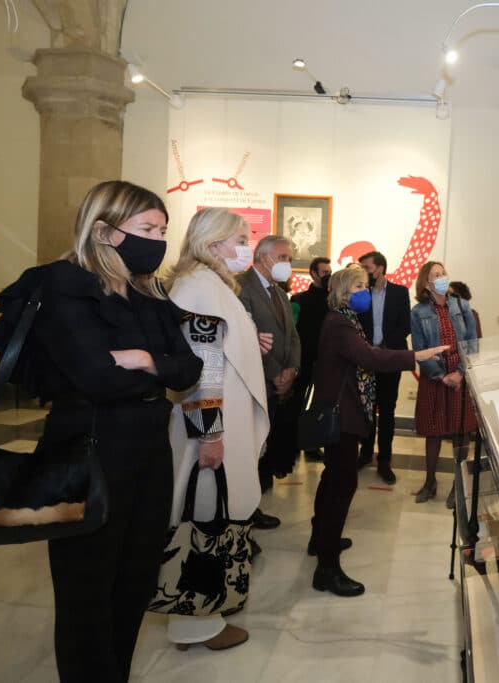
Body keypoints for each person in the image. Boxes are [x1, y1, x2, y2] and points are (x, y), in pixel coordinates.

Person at [0, 180, 203, 681]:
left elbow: (189, 368)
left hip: (149, 449)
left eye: (163, 229)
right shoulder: (61, 284)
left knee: (134, 582)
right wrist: (158, 369)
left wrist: (147, 360)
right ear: (104, 230)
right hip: (87, 450)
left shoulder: (150, 293)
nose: (158, 238)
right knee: (88, 590)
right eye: (147, 228)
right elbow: (98, 378)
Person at [161, 208, 272, 652]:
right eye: (240, 238)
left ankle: (205, 615)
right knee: (204, 516)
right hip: (210, 430)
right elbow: (202, 369)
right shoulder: (199, 290)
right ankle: (196, 623)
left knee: (214, 515)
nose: (246, 246)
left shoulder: (211, 286)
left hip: (220, 424)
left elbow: (218, 352)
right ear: (212, 245)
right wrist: (210, 433)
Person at [310, 267, 447, 596]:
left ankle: (321, 539)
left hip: (343, 413)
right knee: (341, 486)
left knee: (333, 480)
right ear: (344, 291)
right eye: (359, 286)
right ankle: (327, 569)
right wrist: (416, 355)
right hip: (341, 416)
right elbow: (369, 357)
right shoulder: (340, 323)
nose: (365, 291)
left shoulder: (345, 320)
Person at [235, 235, 301, 528]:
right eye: (284, 257)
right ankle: (243, 511)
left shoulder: (280, 294)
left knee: (263, 446)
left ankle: (254, 506)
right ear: (262, 257)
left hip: (277, 386)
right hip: (254, 383)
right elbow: (246, 336)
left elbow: (292, 336)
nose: (288, 264)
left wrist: (292, 369)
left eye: (290, 258)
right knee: (248, 450)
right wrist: (275, 372)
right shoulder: (241, 287)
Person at [411, 261, 478, 504]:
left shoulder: (462, 305)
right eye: (435, 275)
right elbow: (419, 349)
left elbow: (472, 344)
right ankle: (430, 482)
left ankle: (458, 486)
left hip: (460, 375)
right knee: (433, 431)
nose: (441, 278)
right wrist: (441, 376)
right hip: (434, 375)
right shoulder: (418, 312)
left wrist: (459, 372)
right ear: (426, 284)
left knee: (461, 432)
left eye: (443, 273)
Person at [357, 250, 411, 484]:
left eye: (366, 268)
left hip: (390, 359)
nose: (364, 272)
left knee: (387, 410)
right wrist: (368, 348)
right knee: (366, 409)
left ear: (379, 268)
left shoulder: (400, 292)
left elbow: (405, 325)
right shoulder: (359, 293)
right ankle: (365, 454)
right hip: (366, 359)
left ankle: (385, 461)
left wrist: (384, 347)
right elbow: (355, 323)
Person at [291, 256, 332, 462]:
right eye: (324, 272)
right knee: (297, 400)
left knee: (320, 404)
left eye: (329, 272)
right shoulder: (298, 300)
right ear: (313, 273)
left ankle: (312, 444)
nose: (328, 276)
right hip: (304, 359)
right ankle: (293, 443)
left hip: (326, 361)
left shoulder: (333, 301)